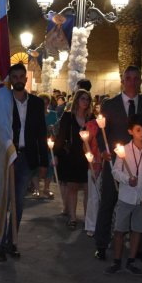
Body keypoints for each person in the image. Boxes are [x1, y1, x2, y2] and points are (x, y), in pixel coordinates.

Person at [94, 65, 142, 263]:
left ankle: (140, 249)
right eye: (128, 78)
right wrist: (104, 152)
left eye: (135, 78)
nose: (131, 82)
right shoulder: (110, 105)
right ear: (123, 81)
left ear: (140, 81)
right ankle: (102, 245)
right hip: (116, 163)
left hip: (140, 164)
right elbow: (100, 134)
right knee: (108, 203)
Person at [0, 63, 48, 262]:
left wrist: (43, 163)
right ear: (10, 80)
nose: (18, 80)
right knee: (4, 200)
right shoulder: (4, 102)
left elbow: (41, 133)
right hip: (7, 155)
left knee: (18, 203)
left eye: (21, 76)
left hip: (26, 158)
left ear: (26, 78)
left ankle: (11, 242)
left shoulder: (36, 103)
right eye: (14, 77)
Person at [104, 114, 142, 275]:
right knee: (119, 230)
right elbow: (115, 171)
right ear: (131, 131)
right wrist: (127, 179)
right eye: (138, 130)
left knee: (137, 231)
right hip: (126, 197)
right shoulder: (124, 150)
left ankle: (131, 261)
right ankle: (117, 261)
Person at [53, 89, 94, 228]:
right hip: (72, 155)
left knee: (88, 187)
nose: (85, 102)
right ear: (77, 100)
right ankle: (73, 217)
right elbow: (61, 136)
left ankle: (88, 218)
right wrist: (56, 154)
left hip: (87, 156)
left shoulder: (91, 118)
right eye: (83, 98)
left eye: (87, 99)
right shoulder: (68, 116)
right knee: (73, 187)